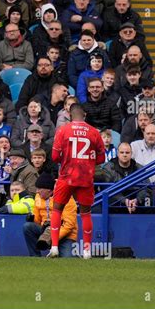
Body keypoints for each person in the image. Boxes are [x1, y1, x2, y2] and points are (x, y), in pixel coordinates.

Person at [49, 103, 105, 259]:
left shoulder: (63, 130)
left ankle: (54, 247)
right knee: (86, 213)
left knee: (57, 209)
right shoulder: (94, 132)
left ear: (69, 115)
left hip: (66, 176)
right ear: (85, 115)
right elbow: (101, 158)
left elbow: (54, 157)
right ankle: (86, 250)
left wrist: (66, 158)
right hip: (85, 178)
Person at [23, 172, 78, 257]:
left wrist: (52, 237)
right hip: (45, 229)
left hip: (64, 234)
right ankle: (35, 257)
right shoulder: (38, 196)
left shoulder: (67, 199)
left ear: (48, 190)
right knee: (28, 226)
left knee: (67, 259)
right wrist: (32, 218)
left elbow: (69, 225)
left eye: (39, 189)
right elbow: (37, 220)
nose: (37, 191)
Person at [0, 180, 35, 255]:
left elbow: (23, 207)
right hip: (1, 233)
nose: (14, 192)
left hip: (14, 235)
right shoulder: (9, 202)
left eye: (17, 190)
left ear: (24, 190)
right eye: (12, 190)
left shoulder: (29, 200)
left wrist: (4, 209)